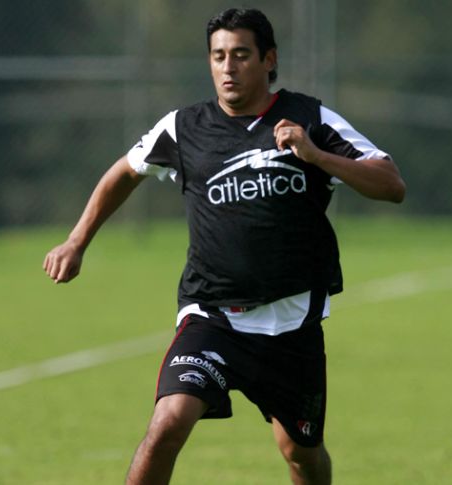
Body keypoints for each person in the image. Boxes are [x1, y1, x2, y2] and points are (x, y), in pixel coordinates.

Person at [43, 7, 405, 484]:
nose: (228, 68)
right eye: (218, 56)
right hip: (211, 316)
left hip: (290, 325)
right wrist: (77, 240)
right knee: (167, 424)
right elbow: (123, 174)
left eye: (240, 55)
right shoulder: (182, 128)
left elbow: (391, 183)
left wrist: (316, 156)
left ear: (268, 60)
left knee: (301, 453)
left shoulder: (310, 118)